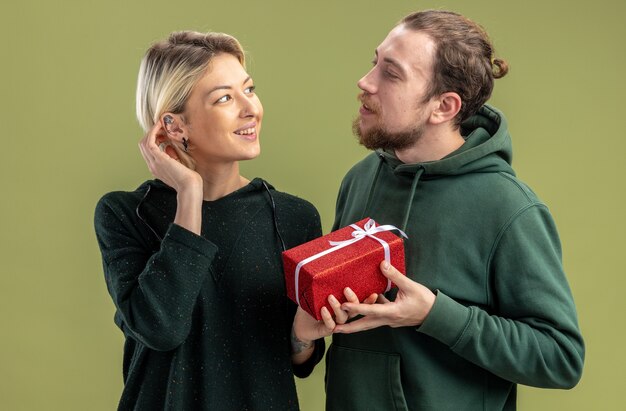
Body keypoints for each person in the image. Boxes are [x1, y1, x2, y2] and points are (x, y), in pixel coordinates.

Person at [321, 10, 585, 410]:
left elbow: (560, 358)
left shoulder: (509, 207)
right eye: (374, 62)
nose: (365, 81)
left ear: (443, 107)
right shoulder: (360, 178)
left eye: (390, 74)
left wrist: (434, 314)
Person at [93, 31, 339, 410]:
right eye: (224, 98)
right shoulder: (126, 214)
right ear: (173, 126)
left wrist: (302, 339)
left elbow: (300, 361)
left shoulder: (294, 217)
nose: (251, 108)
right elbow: (161, 327)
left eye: (249, 89)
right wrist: (189, 195)